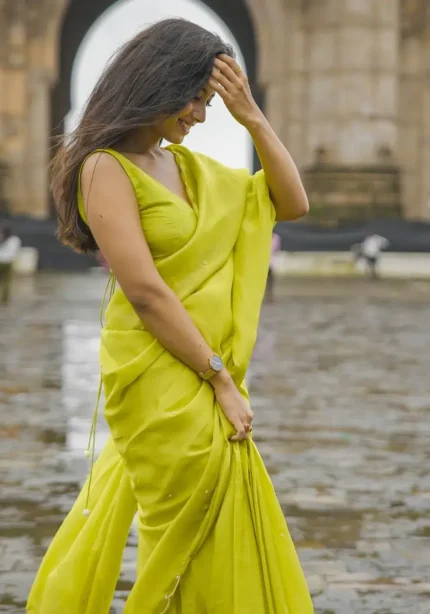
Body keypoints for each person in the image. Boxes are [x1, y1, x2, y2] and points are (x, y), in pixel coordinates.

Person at [27, 19, 313, 614]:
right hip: (161, 378)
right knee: (181, 524)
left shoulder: (189, 168)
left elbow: (292, 203)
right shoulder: (104, 168)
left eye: (210, 103)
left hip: (210, 375)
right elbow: (146, 292)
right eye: (196, 99)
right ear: (159, 81)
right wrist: (220, 378)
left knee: (213, 527)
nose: (202, 116)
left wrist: (253, 117)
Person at [0, 224, 22, 304]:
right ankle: (4, 300)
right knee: (6, 281)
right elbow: (16, 250)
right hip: (8, 262)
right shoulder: (15, 240)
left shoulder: (3, 238)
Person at [265, 232, 281, 303]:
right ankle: (268, 297)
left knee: (269, 281)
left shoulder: (275, 237)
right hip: (266, 260)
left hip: (270, 261)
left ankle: (269, 297)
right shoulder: (275, 237)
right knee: (268, 281)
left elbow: (277, 249)